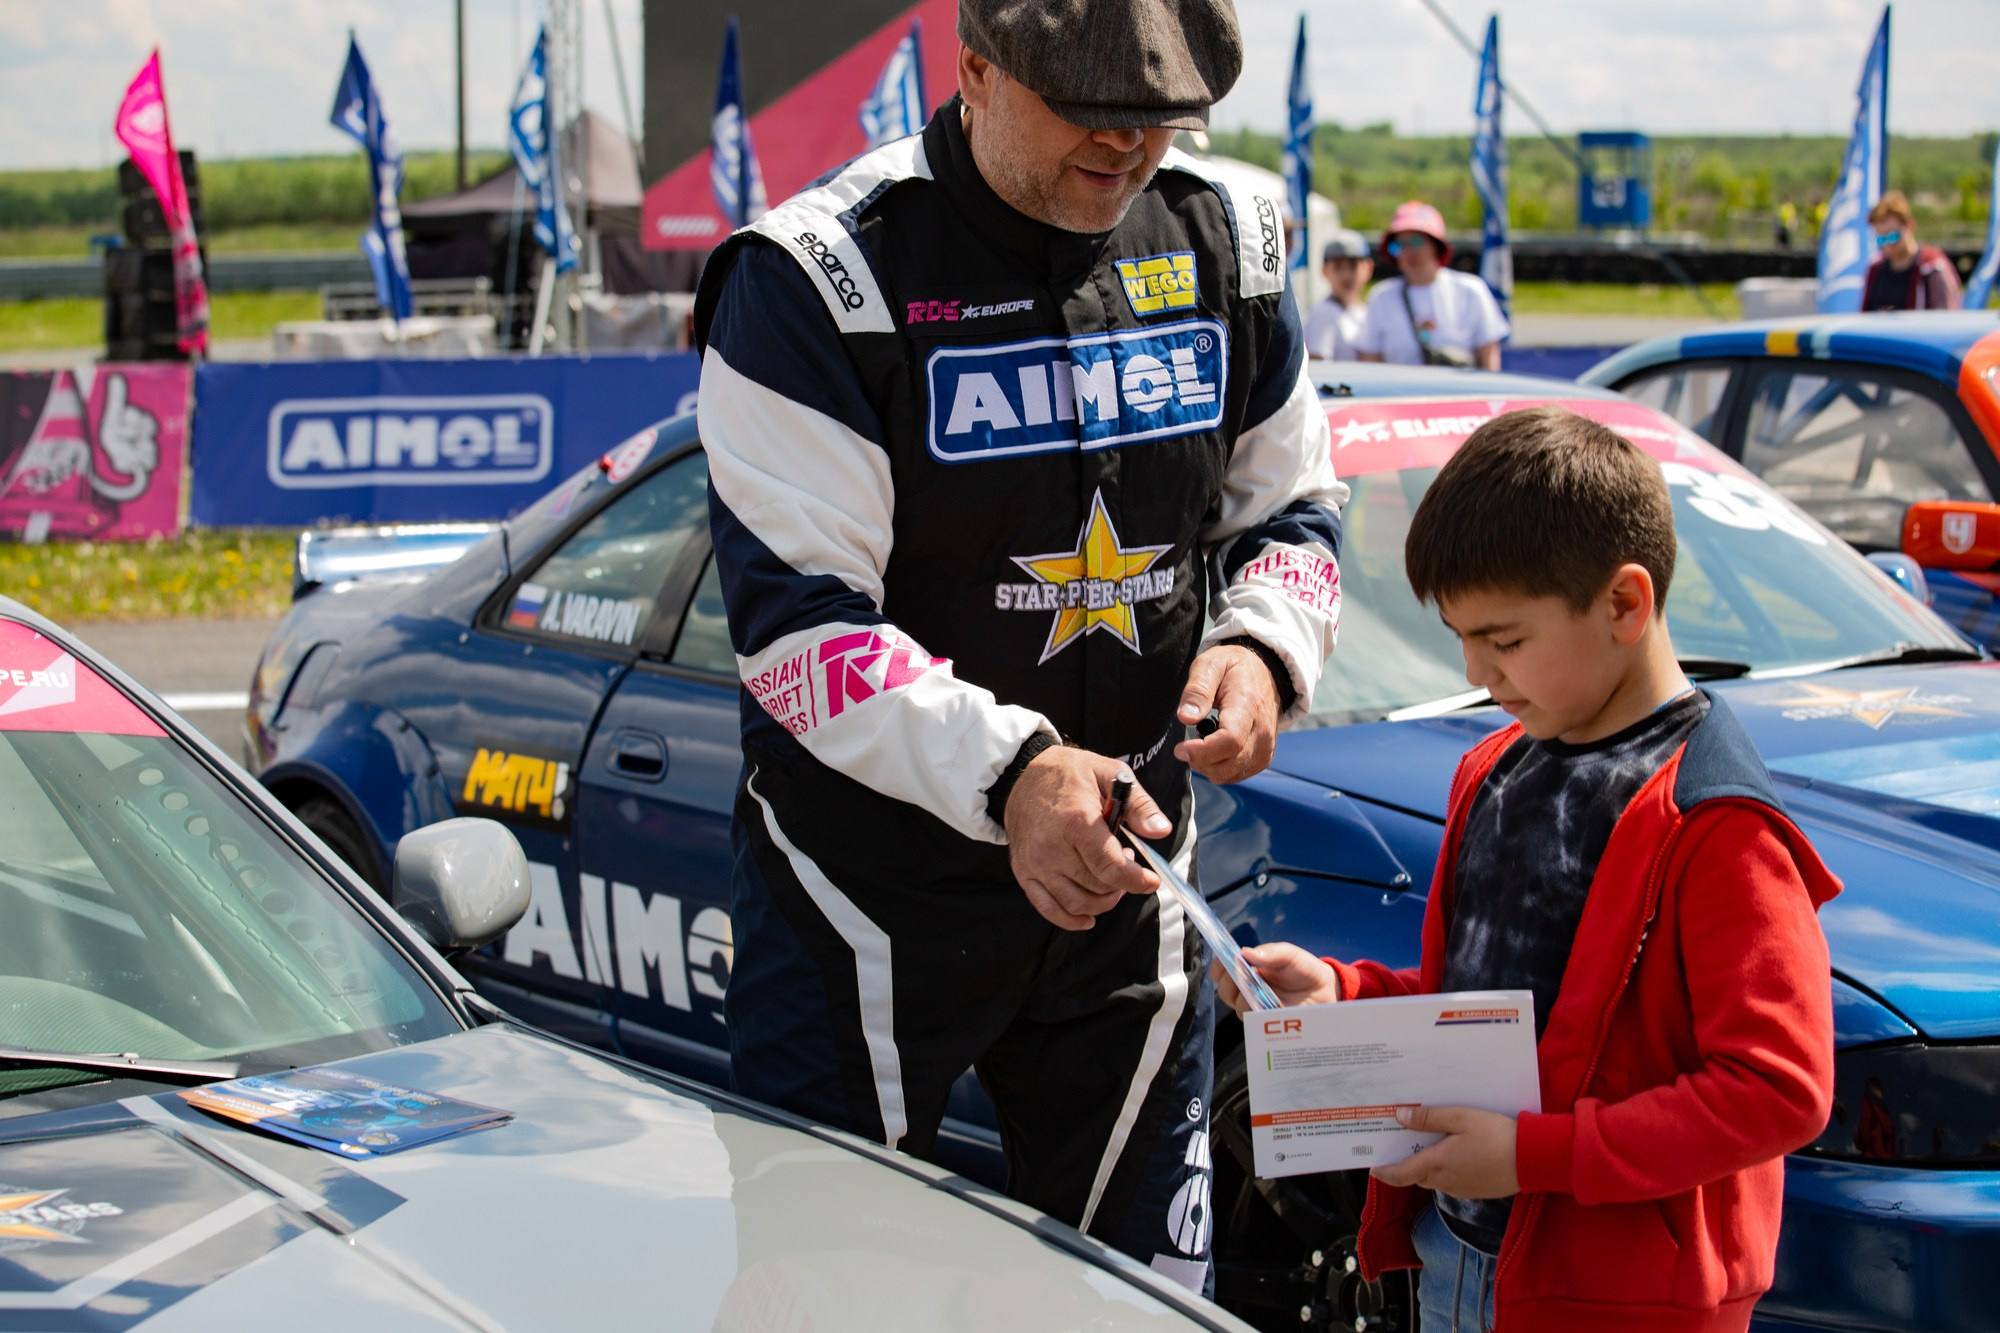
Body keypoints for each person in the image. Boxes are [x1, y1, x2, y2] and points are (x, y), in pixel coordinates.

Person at [692, 0, 1347, 1294]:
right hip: (865, 906)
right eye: (1089, 110)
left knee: (1148, 1303)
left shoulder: (1229, 239)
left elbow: (1296, 510)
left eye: (1159, 113)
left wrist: (1266, 647)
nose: (1128, 143)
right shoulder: (816, 276)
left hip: (1132, 895)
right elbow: (799, 636)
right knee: (818, 1305)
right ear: (974, 70)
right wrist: (1018, 771)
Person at [1212, 406, 1840, 1331]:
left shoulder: (1719, 825)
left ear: (1625, 604)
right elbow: (1486, 1002)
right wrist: (1345, 994)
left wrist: (1537, 1155)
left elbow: (1778, 1089)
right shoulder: (1495, 766)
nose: (1481, 669)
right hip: (1458, 1251)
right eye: (1460, 638)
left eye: (1504, 641)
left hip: (1623, 1295)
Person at [1355, 200, 1507, 370]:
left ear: (1435, 245)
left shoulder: (1471, 290)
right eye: (1398, 245)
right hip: (1400, 395)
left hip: (1458, 395)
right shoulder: (1381, 297)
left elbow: (1489, 358)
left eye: (1415, 242)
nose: (1408, 252)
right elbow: (1370, 360)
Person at [1862, 190, 1962, 311]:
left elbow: (1949, 318)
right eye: (1881, 239)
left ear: (1909, 226)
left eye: (1893, 237)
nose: (1888, 244)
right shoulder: (1875, 270)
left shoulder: (1933, 268)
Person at [1303, 230, 1372, 361]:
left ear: (1368, 268)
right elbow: (1318, 364)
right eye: (1338, 267)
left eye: (1353, 266)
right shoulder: (1324, 312)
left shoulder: (1366, 311)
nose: (1346, 275)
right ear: (1324, 271)